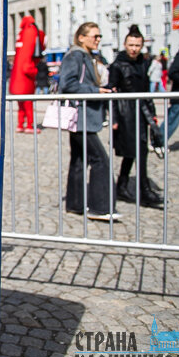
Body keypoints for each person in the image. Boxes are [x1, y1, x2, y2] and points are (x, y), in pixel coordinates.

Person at [59, 22, 121, 221]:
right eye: (94, 36)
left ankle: (75, 204)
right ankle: (100, 207)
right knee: (100, 160)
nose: (98, 39)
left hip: (85, 116)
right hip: (80, 115)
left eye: (99, 36)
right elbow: (67, 84)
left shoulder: (89, 56)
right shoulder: (75, 56)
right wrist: (96, 91)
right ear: (81, 37)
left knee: (79, 159)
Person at [106, 26, 163, 206]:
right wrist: (114, 118)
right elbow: (111, 91)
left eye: (137, 45)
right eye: (131, 45)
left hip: (141, 110)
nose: (134, 48)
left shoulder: (143, 63)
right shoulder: (117, 64)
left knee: (136, 151)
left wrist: (152, 114)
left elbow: (146, 90)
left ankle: (122, 185)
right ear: (124, 44)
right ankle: (143, 190)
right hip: (125, 113)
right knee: (137, 150)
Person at [10, 15, 46, 132]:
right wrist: (34, 71)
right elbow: (27, 65)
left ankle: (20, 124)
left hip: (16, 79)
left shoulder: (22, 33)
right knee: (28, 103)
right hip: (25, 80)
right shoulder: (31, 31)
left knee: (20, 105)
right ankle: (29, 125)